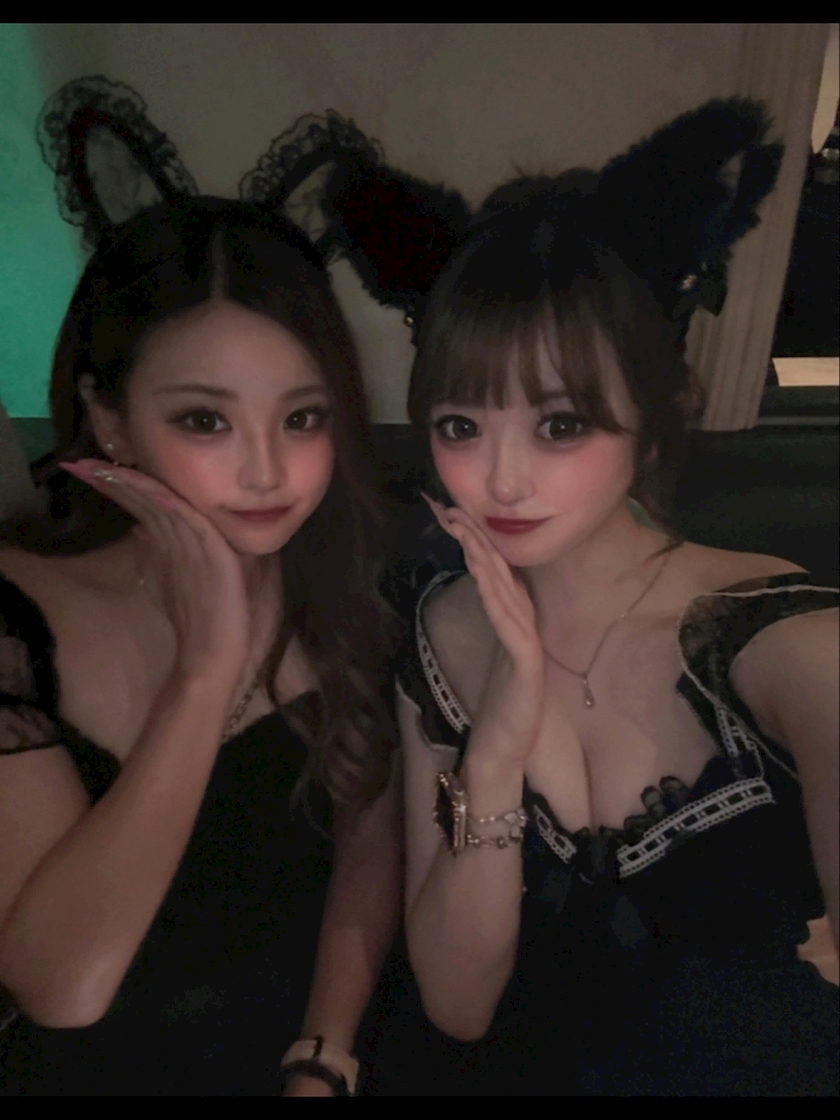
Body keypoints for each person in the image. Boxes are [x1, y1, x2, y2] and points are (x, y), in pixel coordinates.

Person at [280, 99, 838, 1095]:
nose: (500, 480)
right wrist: (495, 755)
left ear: (652, 417)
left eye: (560, 424)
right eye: (460, 426)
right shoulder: (440, 633)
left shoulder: (784, 639)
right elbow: (458, 1002)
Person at [0, 78, 400, 1096]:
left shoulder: (351, 579)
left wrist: (324, 1056)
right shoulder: (13, 615)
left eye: (302, 418)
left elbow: (371, 837)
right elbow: (62, 987)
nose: (268, 472)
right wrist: (205, 669)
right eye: (205, 421)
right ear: (109, 419)